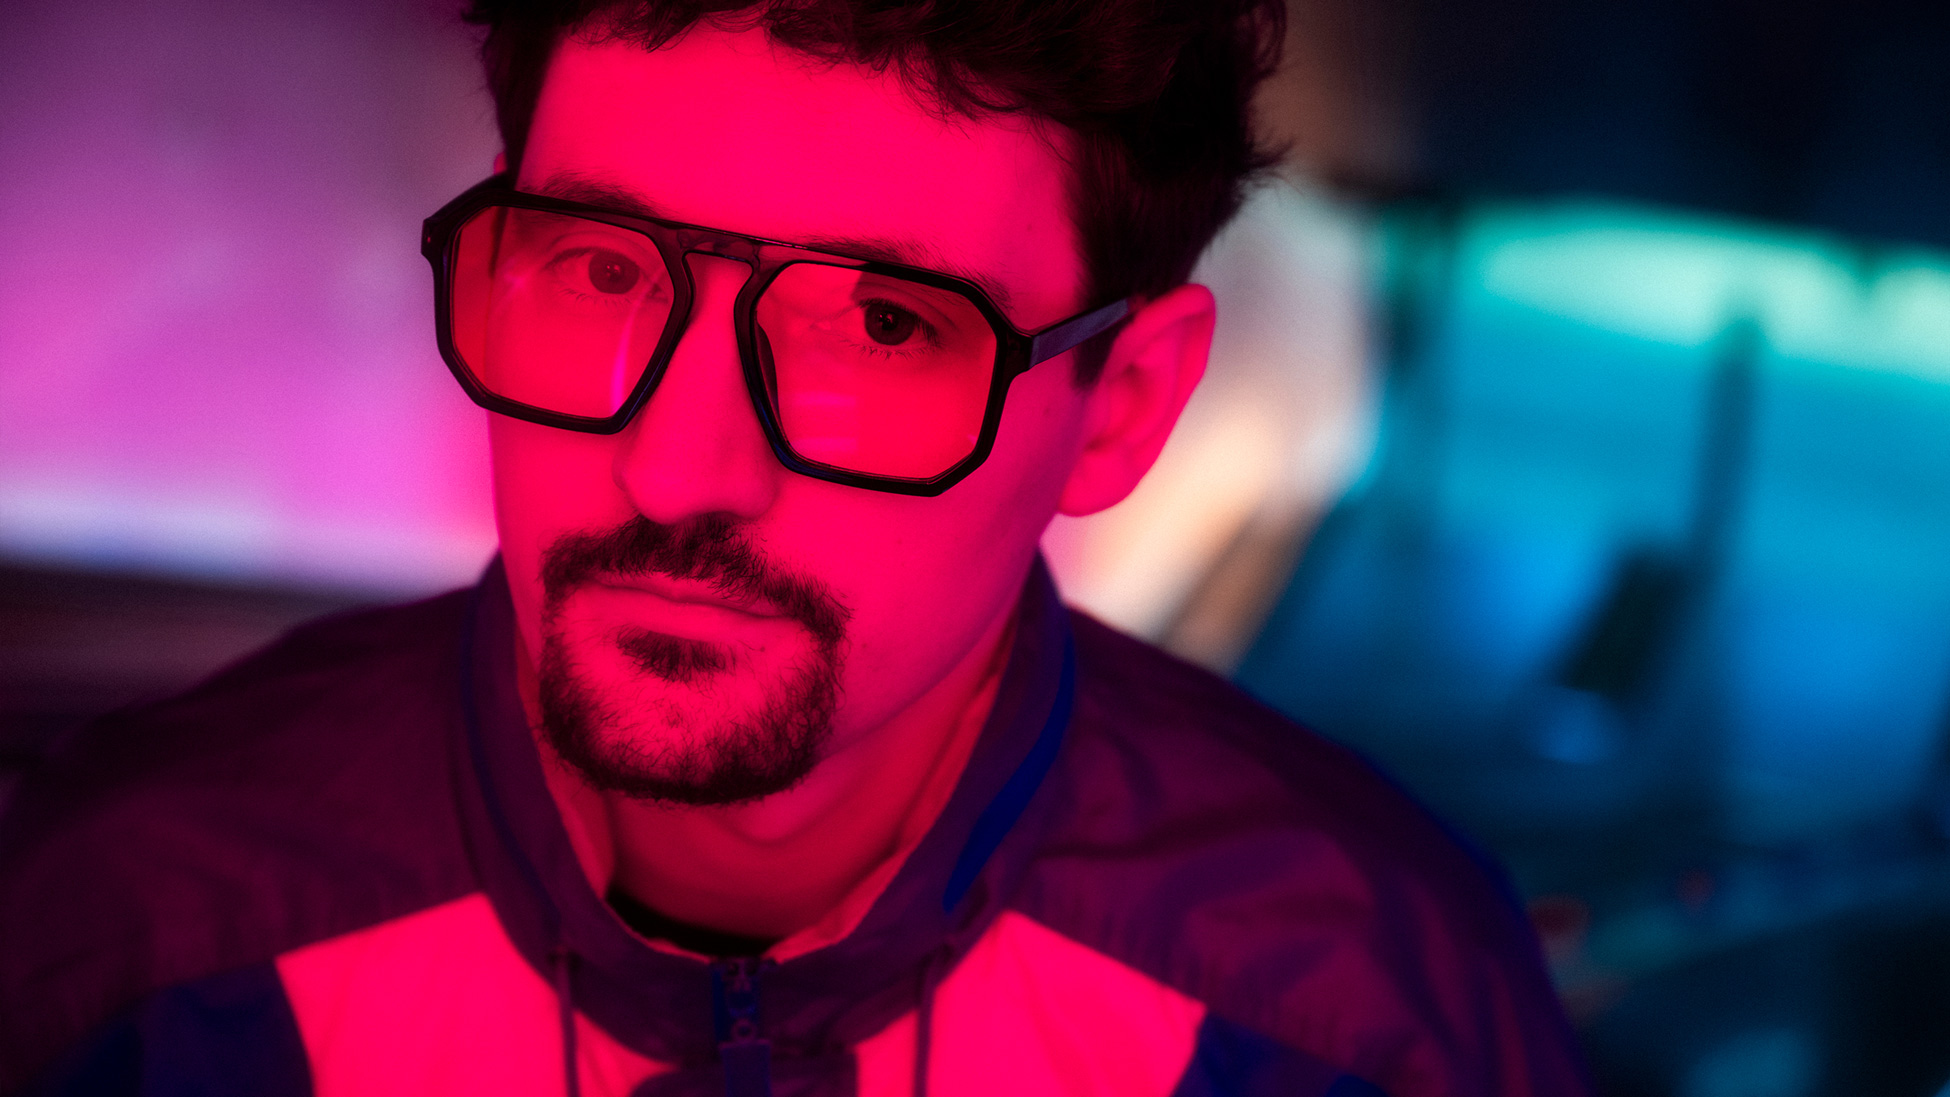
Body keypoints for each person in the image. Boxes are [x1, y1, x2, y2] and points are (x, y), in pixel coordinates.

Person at [0, 1, 1591, 1094]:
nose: (675, 468)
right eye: (601, 268)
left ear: (1119, 408)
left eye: (883, 325)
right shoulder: (127, 935)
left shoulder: (1358, 1015)